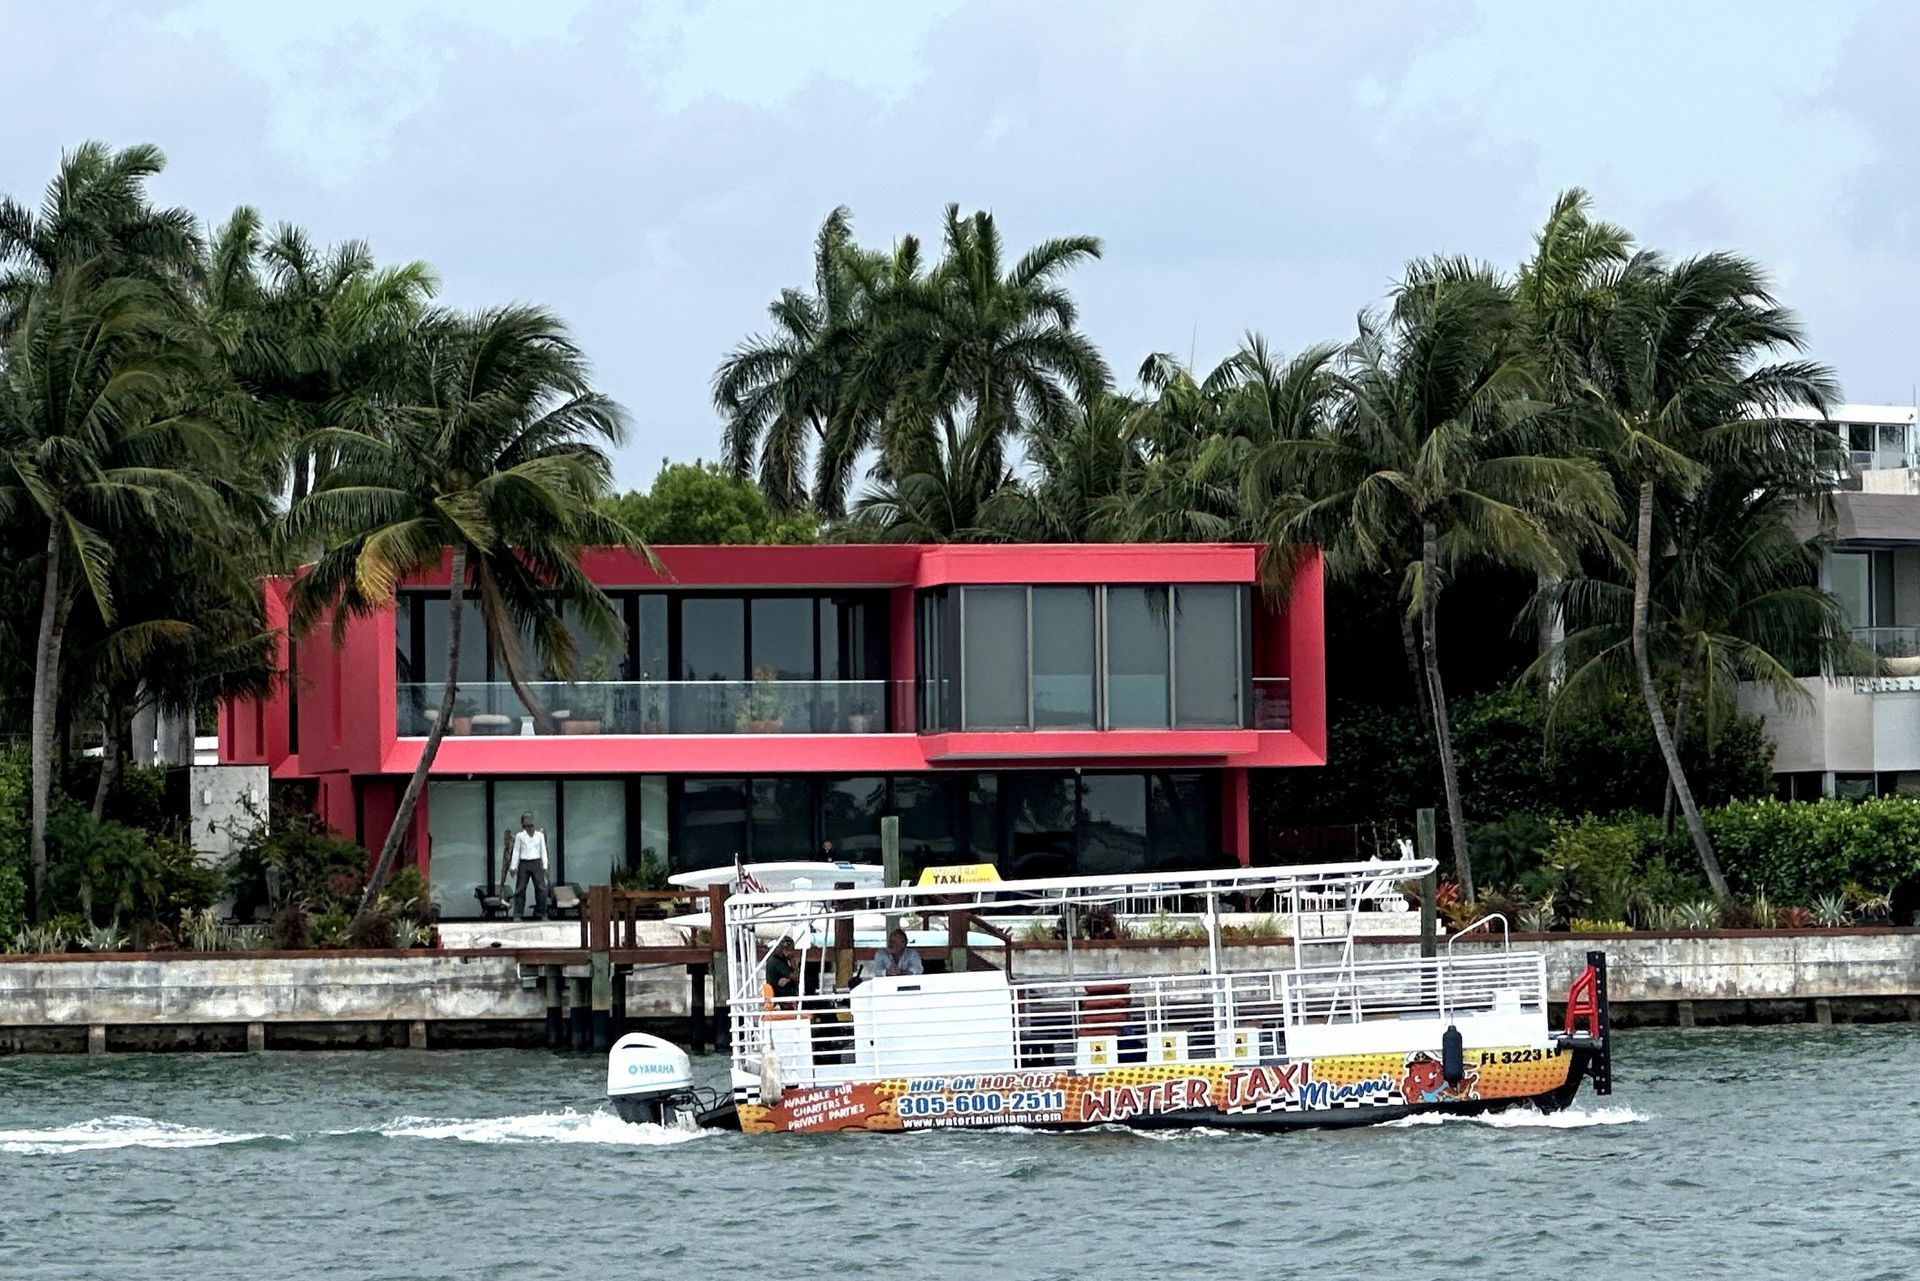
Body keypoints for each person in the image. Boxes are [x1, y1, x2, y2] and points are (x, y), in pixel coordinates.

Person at [501, 811, 551, 920]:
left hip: (536, 862)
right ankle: (518, 914)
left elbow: (543, 850)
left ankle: (542, 913)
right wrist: (513, 866)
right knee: (520, 889)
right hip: (524, 863)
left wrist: (545, 866)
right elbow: (516, 851)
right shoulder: (520, 836)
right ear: (523, 823)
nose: (529, 821)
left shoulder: (540, 835)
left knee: (541, 889)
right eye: (526, 819)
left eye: (530, 819)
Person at [764, 936, 801, 1004]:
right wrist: (792, 960)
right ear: (784, 950)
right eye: (790, 950)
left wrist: (787, 979)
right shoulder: (776, 961)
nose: (792, 952)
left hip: (778, 992)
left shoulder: (776, 958)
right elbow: (796, 977)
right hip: (780, 994)